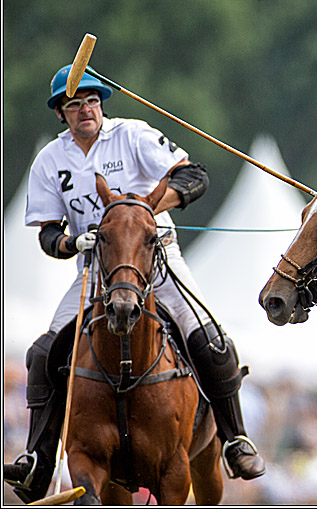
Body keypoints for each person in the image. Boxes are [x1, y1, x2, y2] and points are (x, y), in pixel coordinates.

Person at [4, 65, 266, 502]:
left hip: (157, 260)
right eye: (73, 105)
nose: (85, 110)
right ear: (61, 114)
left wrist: (141, 214)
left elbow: (193, 175)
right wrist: (74, 241)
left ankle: (236, 439)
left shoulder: (134, 135)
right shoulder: (50, 160)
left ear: (101, 104)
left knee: (211, 338)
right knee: (43, 352)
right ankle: (39, 457)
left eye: (91, 101)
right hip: (95, 272)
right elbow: (47, 233)